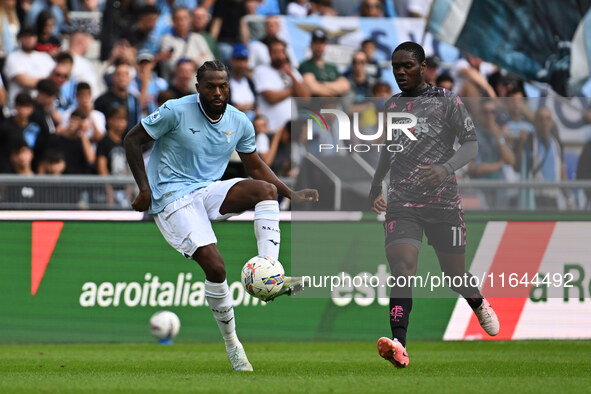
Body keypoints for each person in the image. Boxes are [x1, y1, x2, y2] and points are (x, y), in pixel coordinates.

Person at [124, 60, 318, 371]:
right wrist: (144, 189)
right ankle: (233, 345)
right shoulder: (175, 110)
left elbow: (255, 166)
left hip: (206, 190)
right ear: (198, 87)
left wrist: (290, 193)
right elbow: (131, 140)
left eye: (223, 86)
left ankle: (272, 273)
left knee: (265, 191)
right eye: (211, 86)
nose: (218, 91)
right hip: (172, 198)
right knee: (216, 268)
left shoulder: (239, 121)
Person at [368, 42, 499, 369]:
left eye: (407, 66)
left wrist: (445, 167)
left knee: (453, 274)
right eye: (395, 66)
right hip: (402, 201)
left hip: (442, 202)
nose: (400, 72)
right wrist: (376, 184)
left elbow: (471, 144)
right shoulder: (393, 105)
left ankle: (478, 303)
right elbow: (389, 148)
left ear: (423, 67)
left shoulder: (447, 102)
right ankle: (399, 343)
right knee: (402, 268)